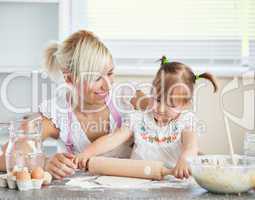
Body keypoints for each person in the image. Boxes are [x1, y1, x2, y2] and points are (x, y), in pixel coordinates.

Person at [74, 56, 218, 179]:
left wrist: (185, 159)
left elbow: (191, 146)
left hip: (172, 181)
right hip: (137, 181)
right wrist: (87, 153)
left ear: (186, 104)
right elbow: (113, 139)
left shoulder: (186, 121)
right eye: (158, 99)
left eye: (171, 105)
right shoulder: (137, 119)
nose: (161, 109)